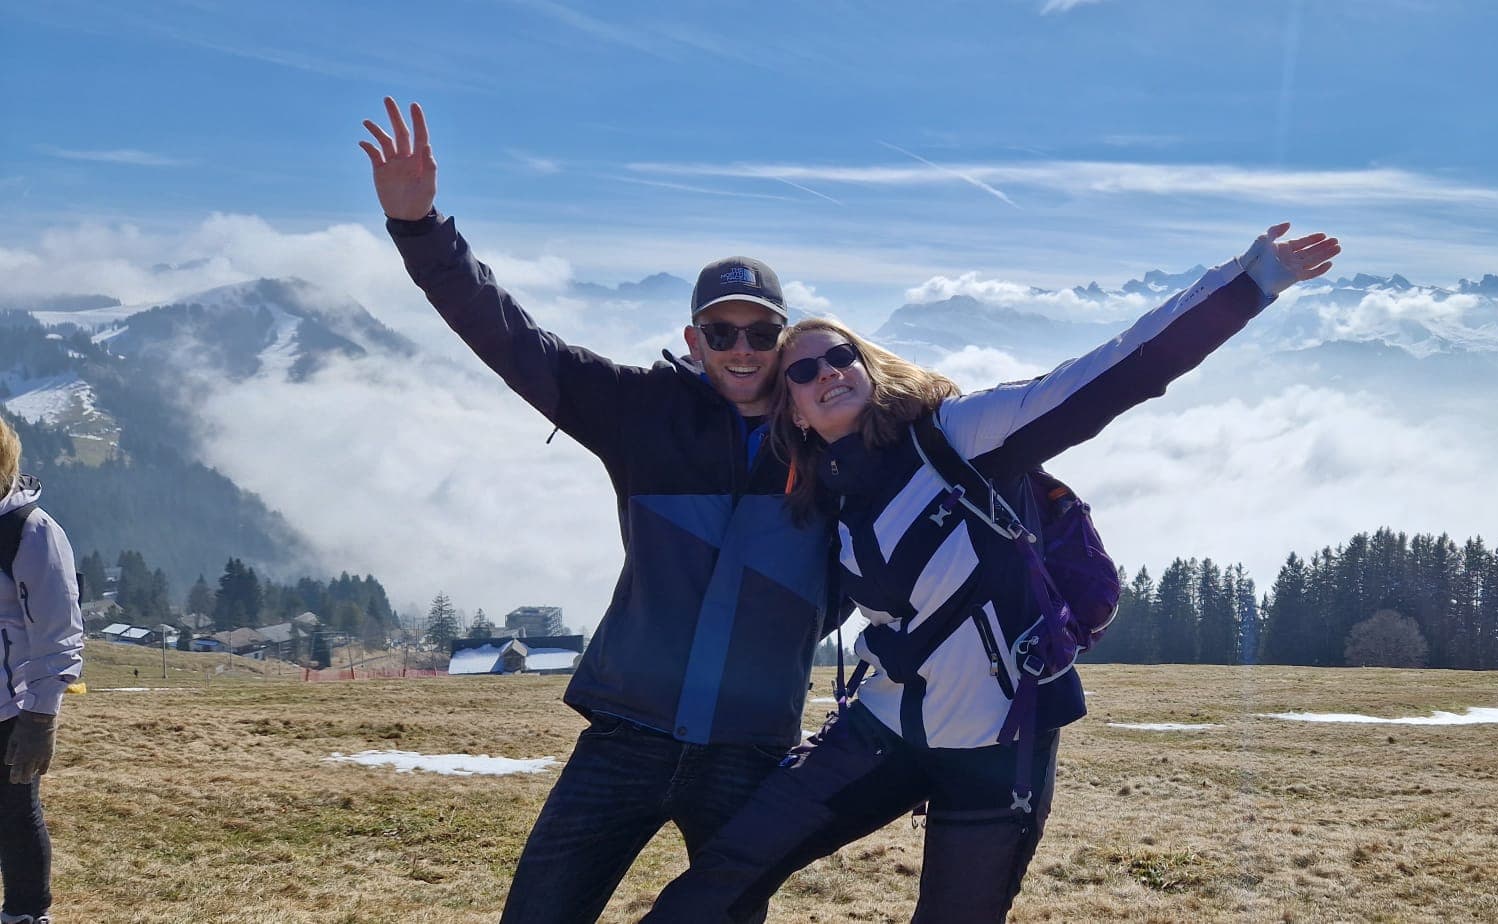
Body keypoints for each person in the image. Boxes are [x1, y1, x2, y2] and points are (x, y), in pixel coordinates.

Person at [647, 222, 1342, 922]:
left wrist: (1247, 285)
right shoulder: (824, 487)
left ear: (867, 364)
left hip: (999, 743)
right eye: (802, 370)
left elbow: (1113, 373)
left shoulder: (960, 435)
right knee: (729, 868)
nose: (825, 373)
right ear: (790, 406)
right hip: (882, 731)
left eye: (839, 357)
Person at [357, 97, 837, 924]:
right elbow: (512, 339)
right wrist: (420, 228)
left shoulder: (832, 444)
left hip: (749, 750)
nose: (742, 351)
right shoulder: (638, 412)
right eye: (721, 335)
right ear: (694, 342)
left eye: (760, 333)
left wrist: (802, 624)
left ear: (785, 339)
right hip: (626, 735)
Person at [0, 417, 85, 924]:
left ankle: (27, 916)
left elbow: (58, 632)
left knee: (14, 814)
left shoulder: (31, 532)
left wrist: (40, 720)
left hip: (11, 708)